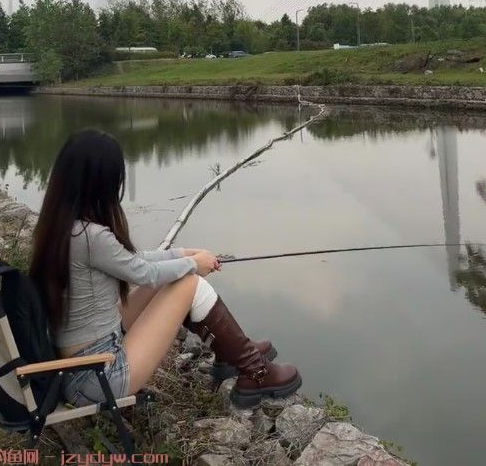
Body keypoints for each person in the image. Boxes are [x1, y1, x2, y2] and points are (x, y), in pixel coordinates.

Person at [28, 129, 301, 408]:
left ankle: (231, 350)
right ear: (101, 183)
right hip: (99, 377)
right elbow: (144, 273)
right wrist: (194, 264)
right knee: (188, 282)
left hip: (79, 366)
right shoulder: (90, 237)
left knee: (177, 276)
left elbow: (132, 260)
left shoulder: (62, 228)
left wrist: (183, 253)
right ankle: (255, 372)